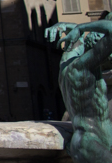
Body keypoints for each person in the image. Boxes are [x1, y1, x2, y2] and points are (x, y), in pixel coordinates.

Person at [45, 17, 112, 163]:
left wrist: (69, 27)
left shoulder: (66, 66)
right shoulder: (83, 68)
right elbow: (111, 29)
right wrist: (80, 28)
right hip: (92, 142)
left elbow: (76, 40)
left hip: (85, 141)